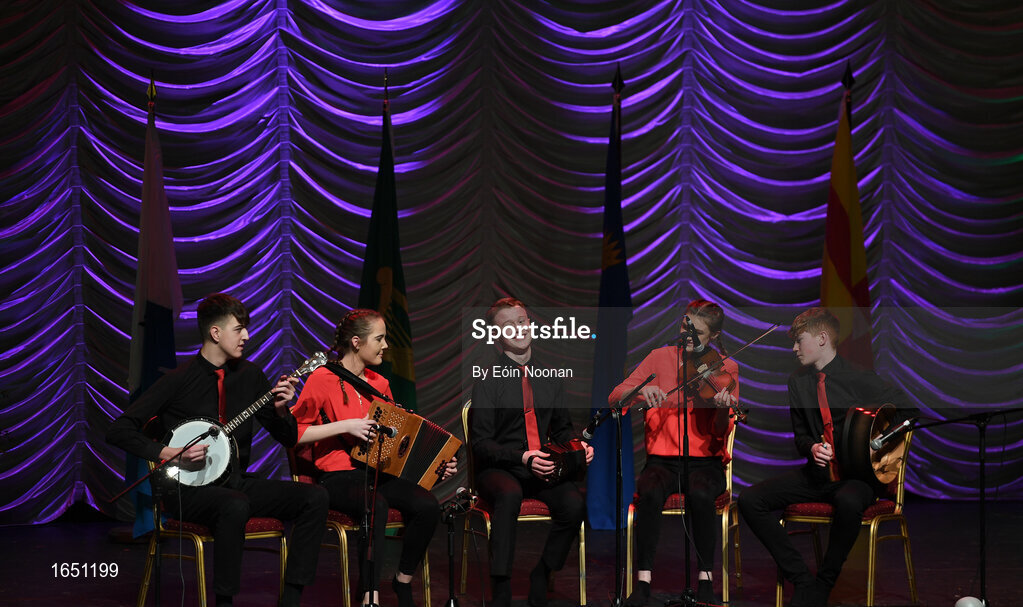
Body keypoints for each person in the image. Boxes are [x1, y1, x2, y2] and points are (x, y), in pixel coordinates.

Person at [106, 293, 328, 607]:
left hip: (234, 483)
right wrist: (167, 452)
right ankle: (224, 602)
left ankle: (291, 599)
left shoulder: (251, 376)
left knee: (314, 497)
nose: (246, 336)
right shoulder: (178, 380)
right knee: (234, 505)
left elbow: (289, 438)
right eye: (239, 329)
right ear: (215, 333)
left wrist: (281, 410)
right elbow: (118, 431)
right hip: (186, 492)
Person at [738, 307, 917, 607]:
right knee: (750, 500)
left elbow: (910, 411)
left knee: (849, 501)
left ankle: (823, 584)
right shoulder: (798, 382)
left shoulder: (858, 377)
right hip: (818, 476)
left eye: (799, 341)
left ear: (822, 338)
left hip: (856, 477)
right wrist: (811, 448)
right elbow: (801, 436)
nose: (794, 349)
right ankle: (802, 580)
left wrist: (877, 442)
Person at [290, 309, 457, 607]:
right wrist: (346, 426)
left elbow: (395, 441)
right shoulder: (322, 378)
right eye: (379, 339)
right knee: (375, 505)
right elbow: (295, 433)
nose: (385, 345)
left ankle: (402, 581)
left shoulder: (379, 384)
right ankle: (370, 595)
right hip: (337, 475)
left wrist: (435, 465)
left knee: (427, 506)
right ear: (356, 342)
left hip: (377, 472)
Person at [611, 299, 739, 606]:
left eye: (698, 332)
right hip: (662, 461)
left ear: (714, 337)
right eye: (685, 326)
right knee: (650, 492)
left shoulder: (725, 368)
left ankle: (705, 581)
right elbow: (615, 396)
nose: (688, 335)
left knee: (701, 495)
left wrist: (722, 409)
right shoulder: (659, 358)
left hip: (705, 462)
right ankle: (643, 582)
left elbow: (720, 431)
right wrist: (641, 391)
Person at [469, 297, 595, 607]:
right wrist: (522, 457)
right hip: (500, 467)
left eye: (522, 321)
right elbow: (481, 443)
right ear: (496, 336)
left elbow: (562, 430)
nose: (518, 329)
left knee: (574, 505)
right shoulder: (487, 380)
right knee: (509, 494)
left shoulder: (550, 376)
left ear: (531, 324)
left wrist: (577, 447)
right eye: (507, 326)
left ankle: (543, 572)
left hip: (541, 466)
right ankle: (501, 586)